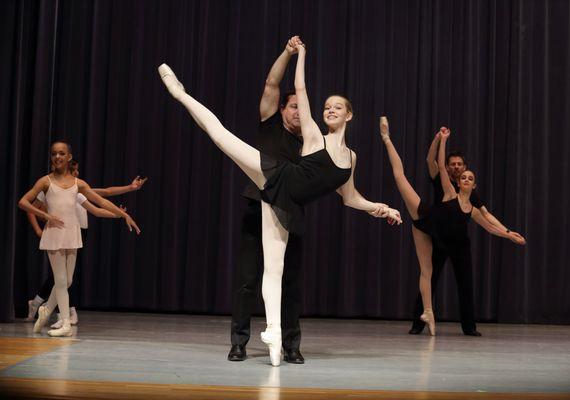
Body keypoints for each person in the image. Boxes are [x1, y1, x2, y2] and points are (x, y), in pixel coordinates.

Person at [158, 37, 401, 365]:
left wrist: (378, 208)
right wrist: (300, 54)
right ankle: (180, 93)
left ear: (350, 116)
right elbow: (299, 89)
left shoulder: (352, 158)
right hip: (276, 177)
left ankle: (274, 334)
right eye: (327, 105)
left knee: (276, 269)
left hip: (285, 205)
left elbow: (350, 197)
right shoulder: (314, 135)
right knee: (221, 137)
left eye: (337, 107)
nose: (329, 109)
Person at [379, 119, 525, 335]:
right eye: (458, 171)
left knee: (461, 281)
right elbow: (433, 159)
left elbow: (487, 219)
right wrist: (441, 139)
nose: (463, 175)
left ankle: (466, 326)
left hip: (457, 240)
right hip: (433, 227)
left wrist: (508, 233)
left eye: (467, 175)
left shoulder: (472, 202)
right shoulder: (446, 186)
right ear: (449, 170)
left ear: (472, 181)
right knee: (429, 274)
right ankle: (420, 321)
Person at [229, 37, 304, 364]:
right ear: (283, 109)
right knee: (248, 281)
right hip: (255, 207)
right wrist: (288, 53)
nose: (298, 111)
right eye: (293, 106)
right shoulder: (270, 125)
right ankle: (239, 342)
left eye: (302, 106)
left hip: (290, 214)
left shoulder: (312, 142)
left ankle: (291, 345)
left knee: (290, 283)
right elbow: (272, 82)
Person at [18, 141, 140, 337]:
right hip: (55, 233)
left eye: (61, 153)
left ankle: (46, 310)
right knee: (60, 279)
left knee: (67, 281)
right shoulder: (45, 182)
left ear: (69, 157)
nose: (57, 157)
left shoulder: (78, 185)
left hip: (72, 234)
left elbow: (101, 201)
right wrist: (46, 217)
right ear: (51, 157)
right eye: (54, 154)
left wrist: (122, 215)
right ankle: (65, 323)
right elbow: (23, 202)